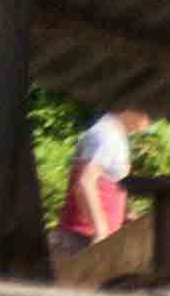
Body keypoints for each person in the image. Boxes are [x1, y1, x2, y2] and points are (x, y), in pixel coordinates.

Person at [53, 107, 148, 253]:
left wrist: (127, 214)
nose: (150, 122)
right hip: (80, 241)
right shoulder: (106, 134)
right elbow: (85, 184)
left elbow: (110, 185)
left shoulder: (116, 134)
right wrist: (101, 232)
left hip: (90, 241)